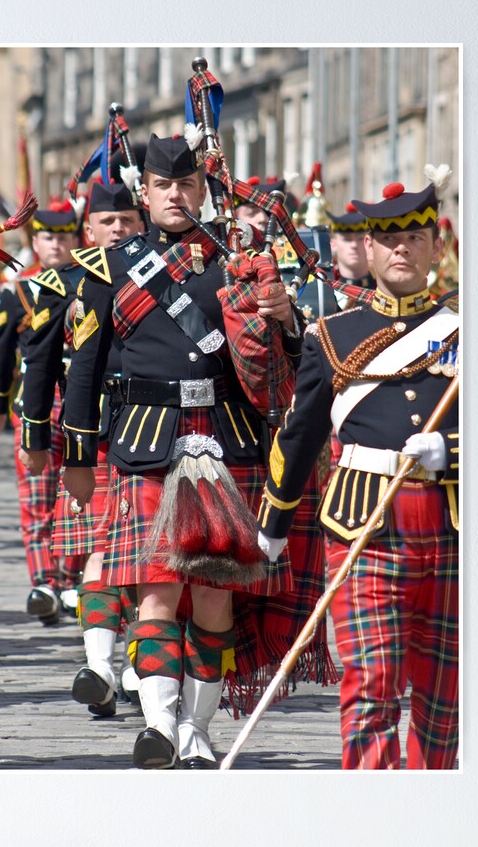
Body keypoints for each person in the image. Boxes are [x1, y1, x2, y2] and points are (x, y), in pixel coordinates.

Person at [61, 133, 302, 769]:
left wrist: (283, 317)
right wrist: (78, 455)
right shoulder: (109, 267)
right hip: (146, 441)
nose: (176, 195)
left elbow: (285, 364)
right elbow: (85, 368)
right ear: (146, 193)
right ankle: (160, 725)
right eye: (164, 186)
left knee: (216, 596)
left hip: (226, 439)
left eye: (187, 184)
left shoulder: (239, 262)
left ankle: (196, 729)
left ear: (203, 189)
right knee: (156, 594)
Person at [257, 165, 459, 769]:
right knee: (371, 687)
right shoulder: (332, 336)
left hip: (453, 526)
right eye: (390, 240)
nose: (403, 249)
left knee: (443, 703)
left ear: (435, 247)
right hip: (364, 524)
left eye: (416, 238)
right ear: (367, 247)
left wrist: (453, 449)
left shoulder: (465, 329)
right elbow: (301, 433)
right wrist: (274, 522)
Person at [20, 180, 145, 714]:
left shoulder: (163, 279)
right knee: (100, 550)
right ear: (86, 230)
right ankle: (99, 666)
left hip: (149, 430)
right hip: (89, 437)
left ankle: (141, 669)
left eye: (127, 222)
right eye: (108, 222)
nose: (118, 230)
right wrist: (36, 438)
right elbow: (43, 364)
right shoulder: (61, 283)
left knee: (145, 563)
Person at [0, 202, 85, 625]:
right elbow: (2, 349)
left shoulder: (91, 283)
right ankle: (44, 582)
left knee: (77, 498)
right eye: (48, 237)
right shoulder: (20, 290)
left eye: (64, 236)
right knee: (38, 498)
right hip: (36, 403)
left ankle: (72, 579)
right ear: (36, 241)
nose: (57, 244)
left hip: (82, 402)